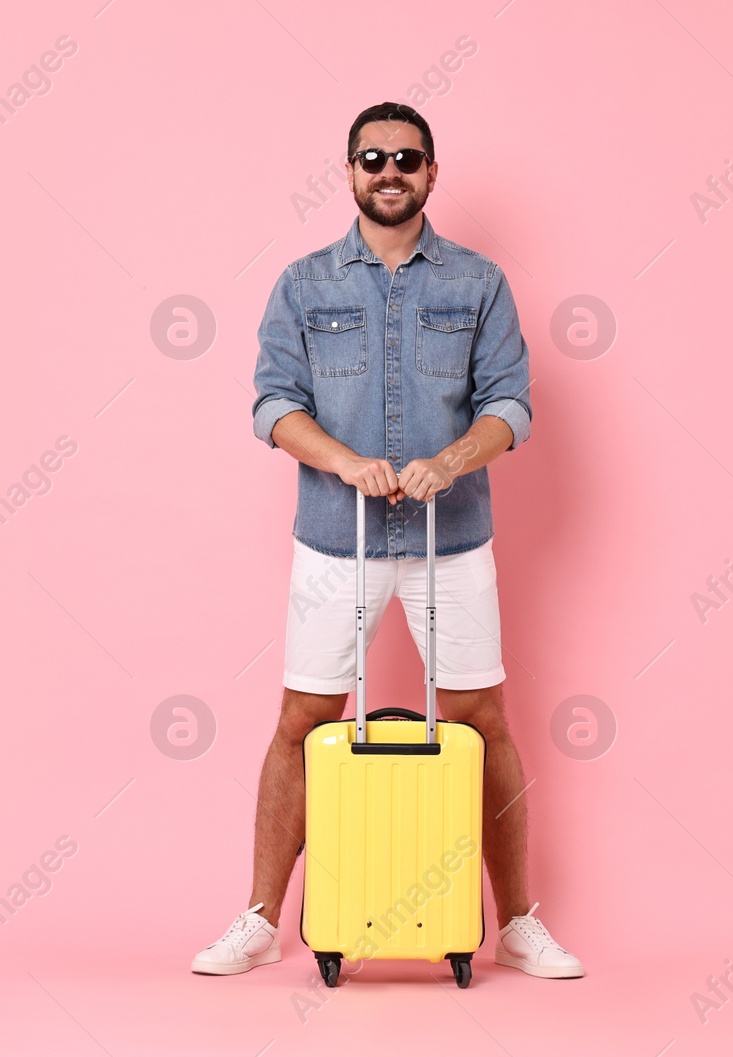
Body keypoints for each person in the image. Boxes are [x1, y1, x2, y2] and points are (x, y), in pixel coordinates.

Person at [191, 102, 582, 980]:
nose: (390, 171)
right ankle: (258, 918)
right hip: (337, 540)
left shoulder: (479, 282)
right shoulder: (304, 283)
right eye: (373, 158)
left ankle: (517, 919)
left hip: (454, 539)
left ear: (432, 172)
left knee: (483, 722)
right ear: (351, 172)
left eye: (407, 158)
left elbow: (510, 404)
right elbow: (272, 404)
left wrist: (452, 458)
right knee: (302, 719)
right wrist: (345, 462)